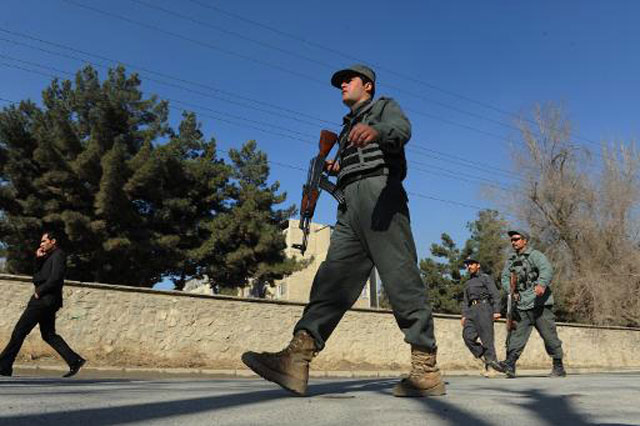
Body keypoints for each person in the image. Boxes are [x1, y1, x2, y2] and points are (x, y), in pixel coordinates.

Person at [242, 64, 446, 397]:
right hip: (349, 205)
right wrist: (339, 167)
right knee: (331, 280)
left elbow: (402, 129)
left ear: (367, 86)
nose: (341, 86)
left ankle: (425, 368)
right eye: (340, 83)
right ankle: (297, 359)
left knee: (400, 278)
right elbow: (356, 159)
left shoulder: (382, 107)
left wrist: (377, 132)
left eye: (347, 81)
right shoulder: (347, 127)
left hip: (380, 196)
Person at [0, 231, 86, 378]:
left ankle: (4, 366)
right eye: (41, 242)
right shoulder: (48, 257)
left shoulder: (59, 255)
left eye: (44, 241)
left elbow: (56, 278)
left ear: (53, 241)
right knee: (49, 335)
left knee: (19, 332)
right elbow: (37, 277)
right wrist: (38, 260)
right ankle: (74, 360)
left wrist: (39, 291)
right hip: (47, 301)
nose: (41, 244)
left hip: (43, 300)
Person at [496, 229, 566, 378]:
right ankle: (510, 364)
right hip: (521, 304)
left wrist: (541, 284)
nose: (513, 242)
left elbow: (546, 269)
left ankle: (558, 366)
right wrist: (511, 291)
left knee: (549, 336)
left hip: (540, 304)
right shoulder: (511, 260)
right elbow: (505, 277)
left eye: (516, 239)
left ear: (525, 240)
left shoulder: (535, 256)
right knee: (515, 336)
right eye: (512, 240)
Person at [460, 257, 502, 377]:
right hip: (471, 311)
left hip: (484, 309)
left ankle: (491, 367)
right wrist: (464, 315)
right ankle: (485, 355)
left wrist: (496, 310)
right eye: (467, 265)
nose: (469, 267)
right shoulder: (467, 283)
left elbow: (495, 294)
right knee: (467, 337)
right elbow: (465, 300)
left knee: (487, 339)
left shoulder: (485, 278)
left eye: (471, 264)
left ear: (478, 265)